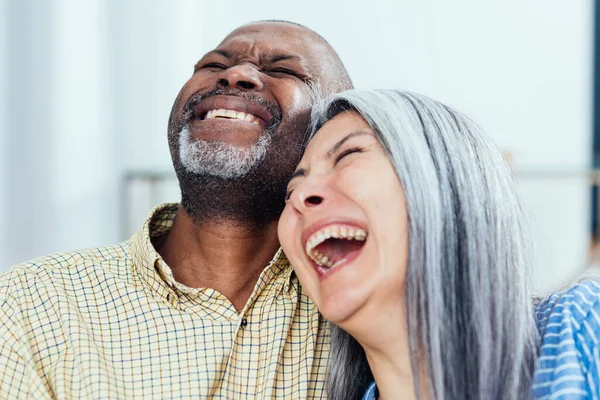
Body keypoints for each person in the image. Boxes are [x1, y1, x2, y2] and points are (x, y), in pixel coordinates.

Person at [0, 21, 352, 399]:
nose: (234, 74)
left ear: (332, 134)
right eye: (212, 65)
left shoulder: (358, 303)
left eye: (282, 70)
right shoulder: (32, 301)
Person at [278, 89, 600, 399]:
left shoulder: (584, 326)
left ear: (447, 182)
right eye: (291, 191)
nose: (302, 196)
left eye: (349, 154)